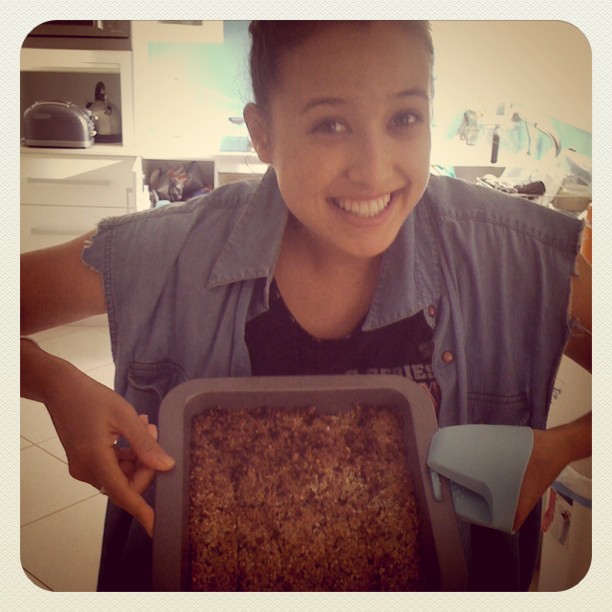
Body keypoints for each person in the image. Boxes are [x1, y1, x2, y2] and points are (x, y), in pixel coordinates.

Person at [20, 20, 591, 591]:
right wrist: (54, 383)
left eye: (404, 118)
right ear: (262, 134)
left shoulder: (513, 256)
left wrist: (563, 446)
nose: (375, 169)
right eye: (330, 124)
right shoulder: (165, 252)